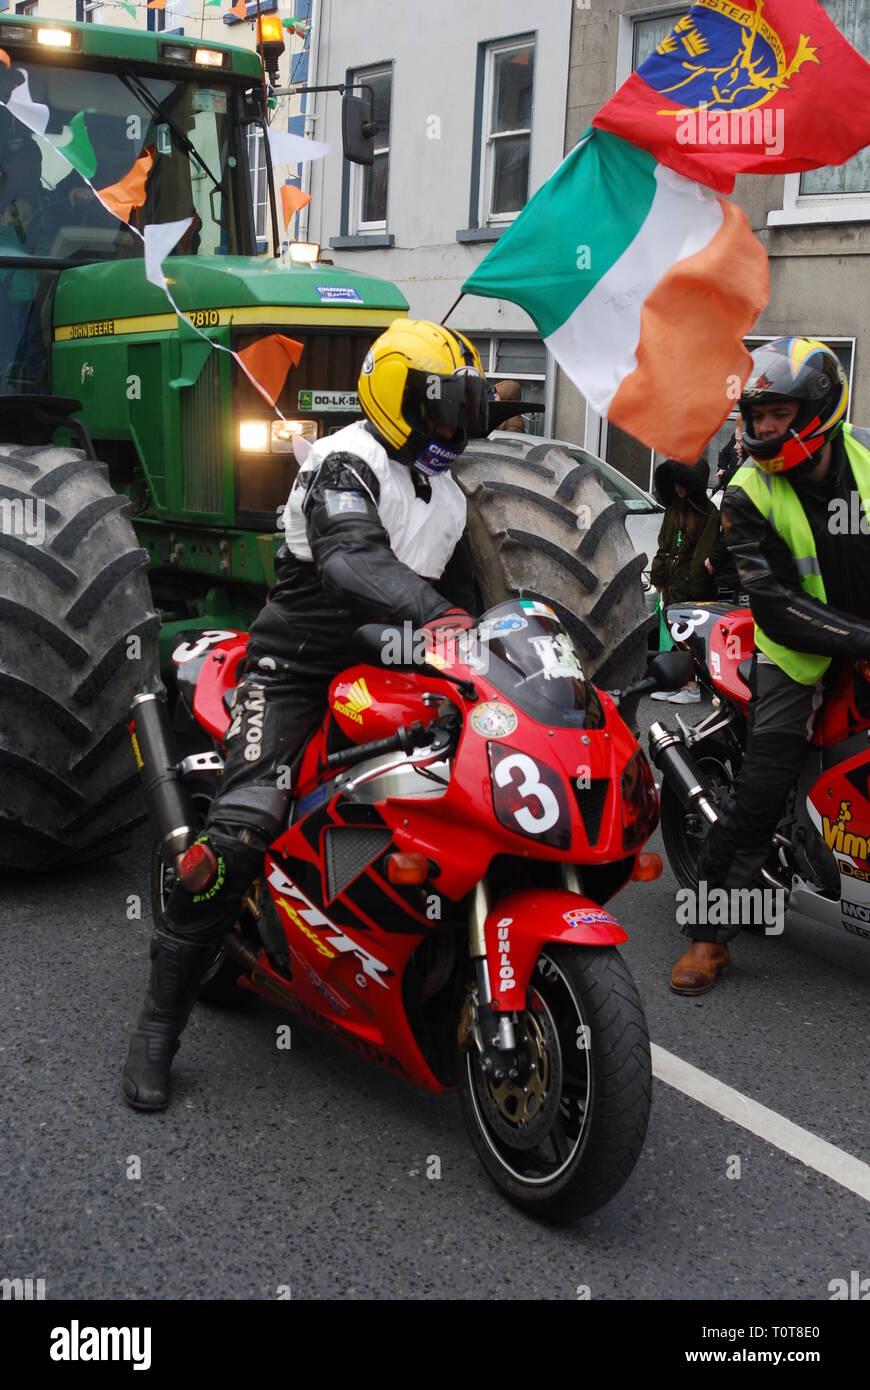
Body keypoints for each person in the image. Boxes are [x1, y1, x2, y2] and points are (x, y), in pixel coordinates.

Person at [122, 320, 488, 1110]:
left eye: (464, 408)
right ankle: (157, 1028)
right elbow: (352, 560)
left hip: (394, 669)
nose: (454, 425)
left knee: (463, 793)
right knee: (238, 836)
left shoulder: (451, 497)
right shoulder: (343, 462)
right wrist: (441, 620)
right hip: (296, 671)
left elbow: (474, 604)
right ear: (396, 400)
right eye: (441, 407)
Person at [670, 337, 870, 995]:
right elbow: (777, 606)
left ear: (816, 410)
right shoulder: (746, 492)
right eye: (755, 415)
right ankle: (709, 936)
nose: (762, 427)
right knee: (761, 787)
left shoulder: (867, 461)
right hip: (797, 651)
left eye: (776, 413)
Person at [649, 456, 719, 703]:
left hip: (692, 589)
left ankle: (692, 685)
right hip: (672, 584)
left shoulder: (708, 513)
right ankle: (675, 681)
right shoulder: (673, 509)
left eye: (683, 484)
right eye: (675, 483)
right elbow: (664, 545)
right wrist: (659, 575)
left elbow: (702, 553)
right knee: (671, 636)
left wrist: (693, 590)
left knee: (690, 638)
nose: (678, 489)